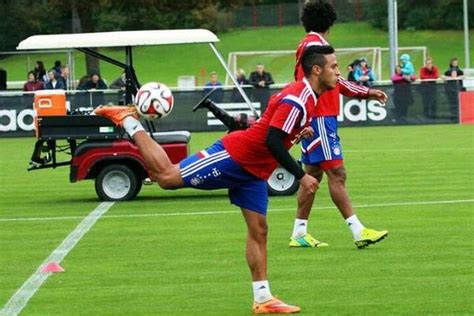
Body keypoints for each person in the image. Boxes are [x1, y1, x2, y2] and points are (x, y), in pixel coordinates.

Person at [95, 45, 340, 314]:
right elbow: (271, 140)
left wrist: (297, 134)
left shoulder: (309, 97)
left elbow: (274, 131)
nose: (337, 72)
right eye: (334, 67)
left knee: (260, 230)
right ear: (317, 70)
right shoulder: (299, 98)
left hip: (254, 171)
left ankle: (263, 299)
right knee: (166, 177)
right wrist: (301, 176)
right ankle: (129, 120)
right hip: (234, 156)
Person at [291, 0, 388, 249]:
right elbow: (336, 80)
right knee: (338, 173)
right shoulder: (317, 45)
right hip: (321, 116)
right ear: (330, 22)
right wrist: (367, 92)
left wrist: (365, 92)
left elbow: (334, 79)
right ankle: (358, 231)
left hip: (315, 115)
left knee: (312, 174)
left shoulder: (307, 44)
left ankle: (299, 232)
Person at [443, 57, 464, 122]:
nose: (455, 64)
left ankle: (459, 118)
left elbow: (463, 77)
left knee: (459, 104)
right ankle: (452, 118)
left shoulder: (460, 71)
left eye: (456, 62)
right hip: (450, 90)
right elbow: (443, 77)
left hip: (458, 90)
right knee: (451, 104)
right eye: (454, 63)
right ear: (451, 63)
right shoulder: (447, 71)